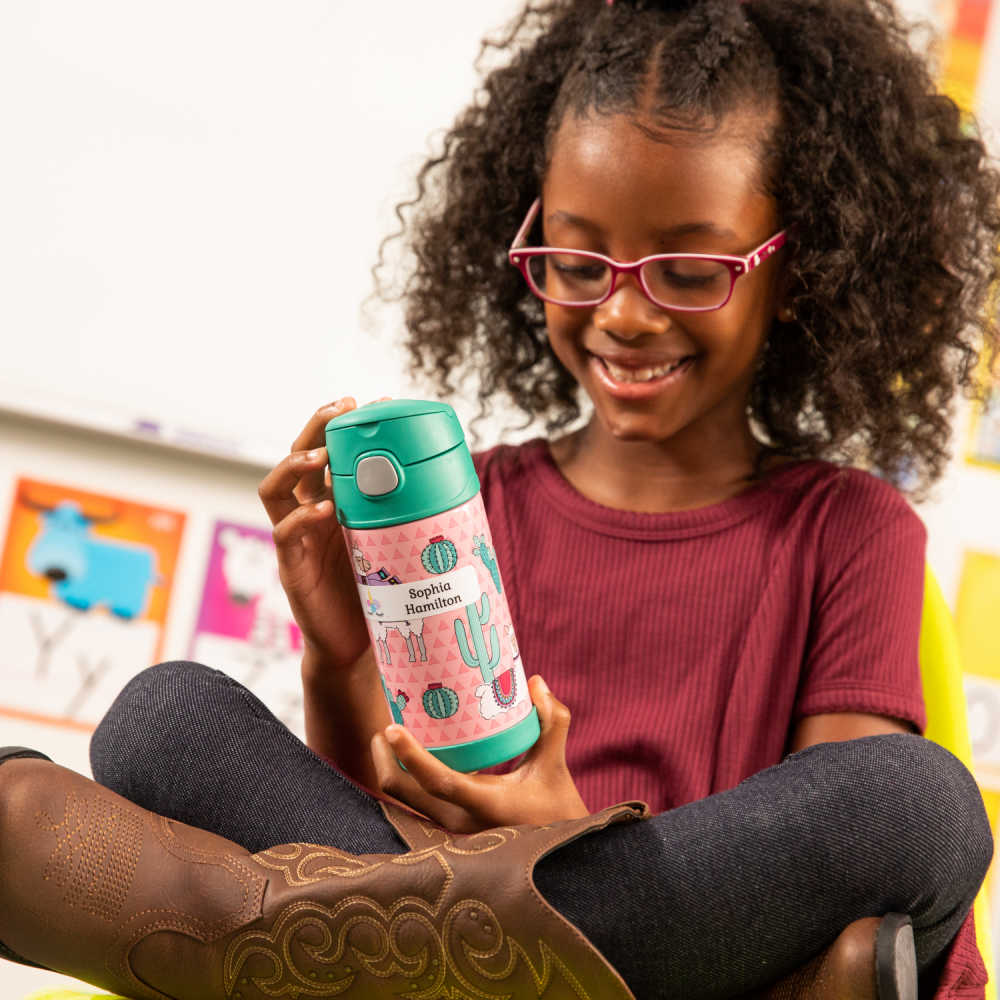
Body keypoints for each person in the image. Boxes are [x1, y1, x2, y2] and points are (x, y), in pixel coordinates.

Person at [1, 0, 998, 996]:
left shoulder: (851, 529)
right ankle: (460, 961)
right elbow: (372, 832)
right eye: (575, 262)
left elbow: (834, 869)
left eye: (687, 272)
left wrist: (557, 838)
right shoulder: (465, 511)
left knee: (911, 804)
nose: (621, 312)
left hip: (700, 959)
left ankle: (268, 937)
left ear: (799, 268)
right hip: (441, 903)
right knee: (161, 717)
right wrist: (343, 658)